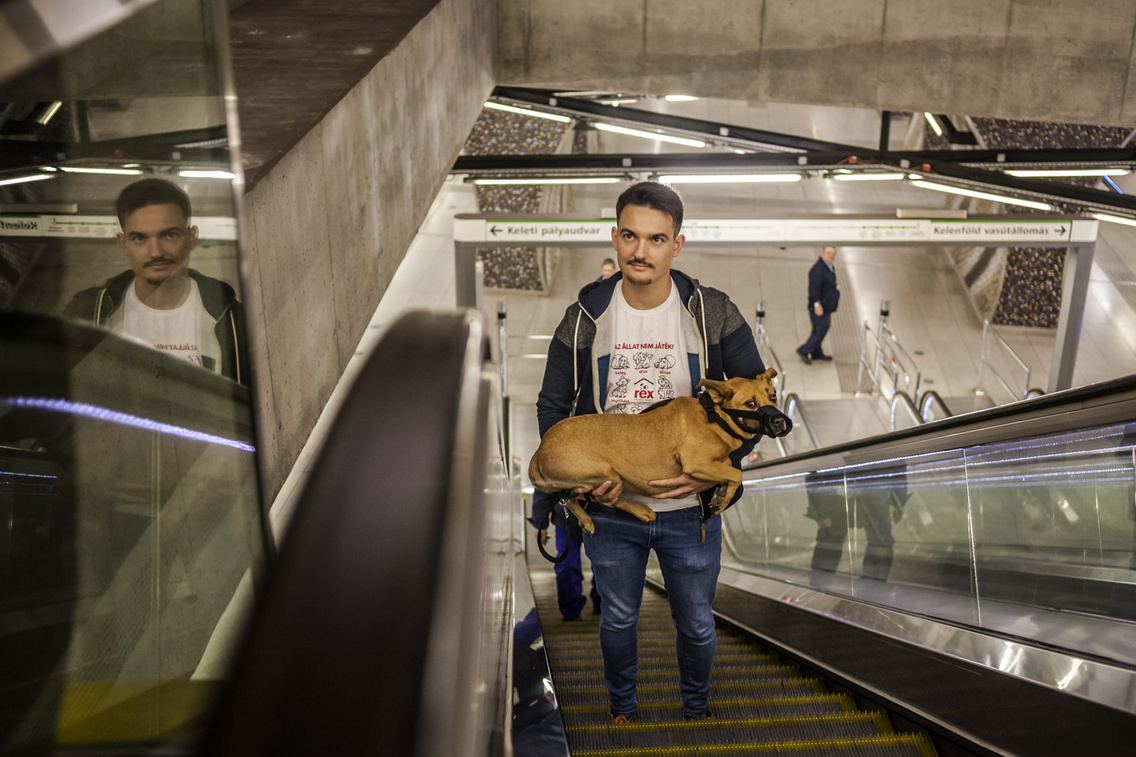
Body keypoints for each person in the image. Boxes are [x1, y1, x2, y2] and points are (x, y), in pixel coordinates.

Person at [534, 181, 764, 723]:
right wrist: (577, 481)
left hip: (692, 514)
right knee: (616, 620)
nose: (642, 251)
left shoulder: (712, 314)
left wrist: (723, 469)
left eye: (657, 239)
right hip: (614, 509)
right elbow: (552, 408)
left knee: (698, 624)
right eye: (631, 237)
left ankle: (697, 712)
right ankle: (623, 712)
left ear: (676, 245)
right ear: (614, 238)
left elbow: (758, 399)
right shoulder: (586, 316)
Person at [64, 178, 249, 386]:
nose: (156, 252)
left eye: (169, 235)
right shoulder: (88, 314)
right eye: (140, 238)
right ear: (123, 244)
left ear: (191, 237)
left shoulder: (234, 321)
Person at [806, 463, 907, 583]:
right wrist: (899, 499)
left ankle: (818, 588)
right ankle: (871, 593)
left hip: (841, 483)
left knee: (831, 540)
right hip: (867, 482)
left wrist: (818, 506)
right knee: (880, 542)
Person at [529, 499, 601, 620]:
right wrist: (541, 523)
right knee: (567, 566)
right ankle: (570, 611)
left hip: (600, 518)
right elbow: (543, 486)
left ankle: (602, 603)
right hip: (566, 519)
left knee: (604, 565)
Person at [796, 245, 839, 365]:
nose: (831, 256)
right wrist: (816, 305)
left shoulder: (829, 267)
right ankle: (804, 350)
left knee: (818, 329)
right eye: (828, 253)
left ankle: (816, 353)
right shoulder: (818, 270)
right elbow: (813, 290)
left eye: (833, 253)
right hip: (820, 307)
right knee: (820, 330)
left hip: (826, 306)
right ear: (822, 253)